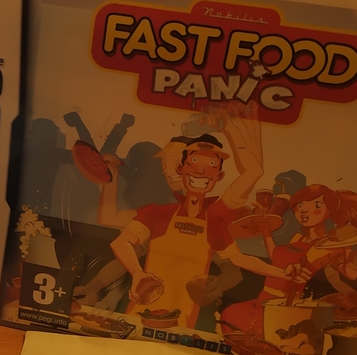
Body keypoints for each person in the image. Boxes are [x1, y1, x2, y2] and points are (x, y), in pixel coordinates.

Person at [94, 104, 287, 328]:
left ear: (219, 175)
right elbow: (120, 240)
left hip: (184, 324)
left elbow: (239, 260)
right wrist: (137, 273)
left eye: (211, 164)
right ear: (182, 169)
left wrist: (284, 273)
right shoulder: (157, 212)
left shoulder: (215, 220)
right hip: (139, 318)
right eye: (194, 162)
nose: (200, 170)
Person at [220, 184, 357, 337]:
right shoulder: (298, 237)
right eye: (300, 205)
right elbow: (276, 257)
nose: (304, 210)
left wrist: (347, 244)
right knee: (230, 315)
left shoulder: (329, 246)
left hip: (282, 305)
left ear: (330, 212)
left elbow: (351, 274)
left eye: (316, 205)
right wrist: (265, 229)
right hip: (263, 298)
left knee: (256, 332)